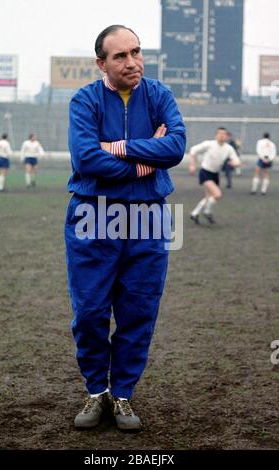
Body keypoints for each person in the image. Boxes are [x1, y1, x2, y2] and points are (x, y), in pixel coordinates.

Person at [65, 25, 186, 431]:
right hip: (92, 216)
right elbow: (86, 159)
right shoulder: (84, 100)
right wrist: (146, 158)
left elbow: (176, 147)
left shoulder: (160, 95)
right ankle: (96, 391)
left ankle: (123, 396)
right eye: (120, 56)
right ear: (102, 63)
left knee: (138, 309)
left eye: (136, 52)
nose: (132, 62)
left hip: (149, 217)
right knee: (90, 311)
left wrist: (117, 148)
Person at [189, 127, 241, 224]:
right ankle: (207, 212)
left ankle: (194, 213)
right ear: (216, 135)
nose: (222, 135)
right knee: (217, 194)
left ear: (227, 136)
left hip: (215, 174)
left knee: (209, 196)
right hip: (205, 172)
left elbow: (236, 160)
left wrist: (235, 163)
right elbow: (193, 150)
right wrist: (193, 164)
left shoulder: (229, 148)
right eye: (220, 133)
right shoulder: (209, 144)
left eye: (224, 134)